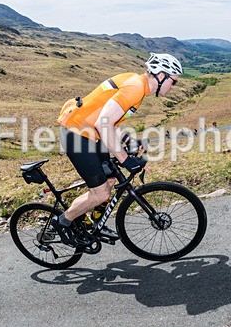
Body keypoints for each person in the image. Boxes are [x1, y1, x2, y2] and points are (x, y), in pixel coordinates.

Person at [51, 53, 183, 245]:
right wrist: (125, 159)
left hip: (91, 134)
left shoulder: (137, 85)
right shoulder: (136, 88)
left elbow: (108, 118)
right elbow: (104, 123)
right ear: (161, 76)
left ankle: (94, 224)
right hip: (77, 136)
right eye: (174, 82)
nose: (174, 87)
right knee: (101, 193)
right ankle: (62, 222)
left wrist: (127, 139)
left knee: (111, 180)